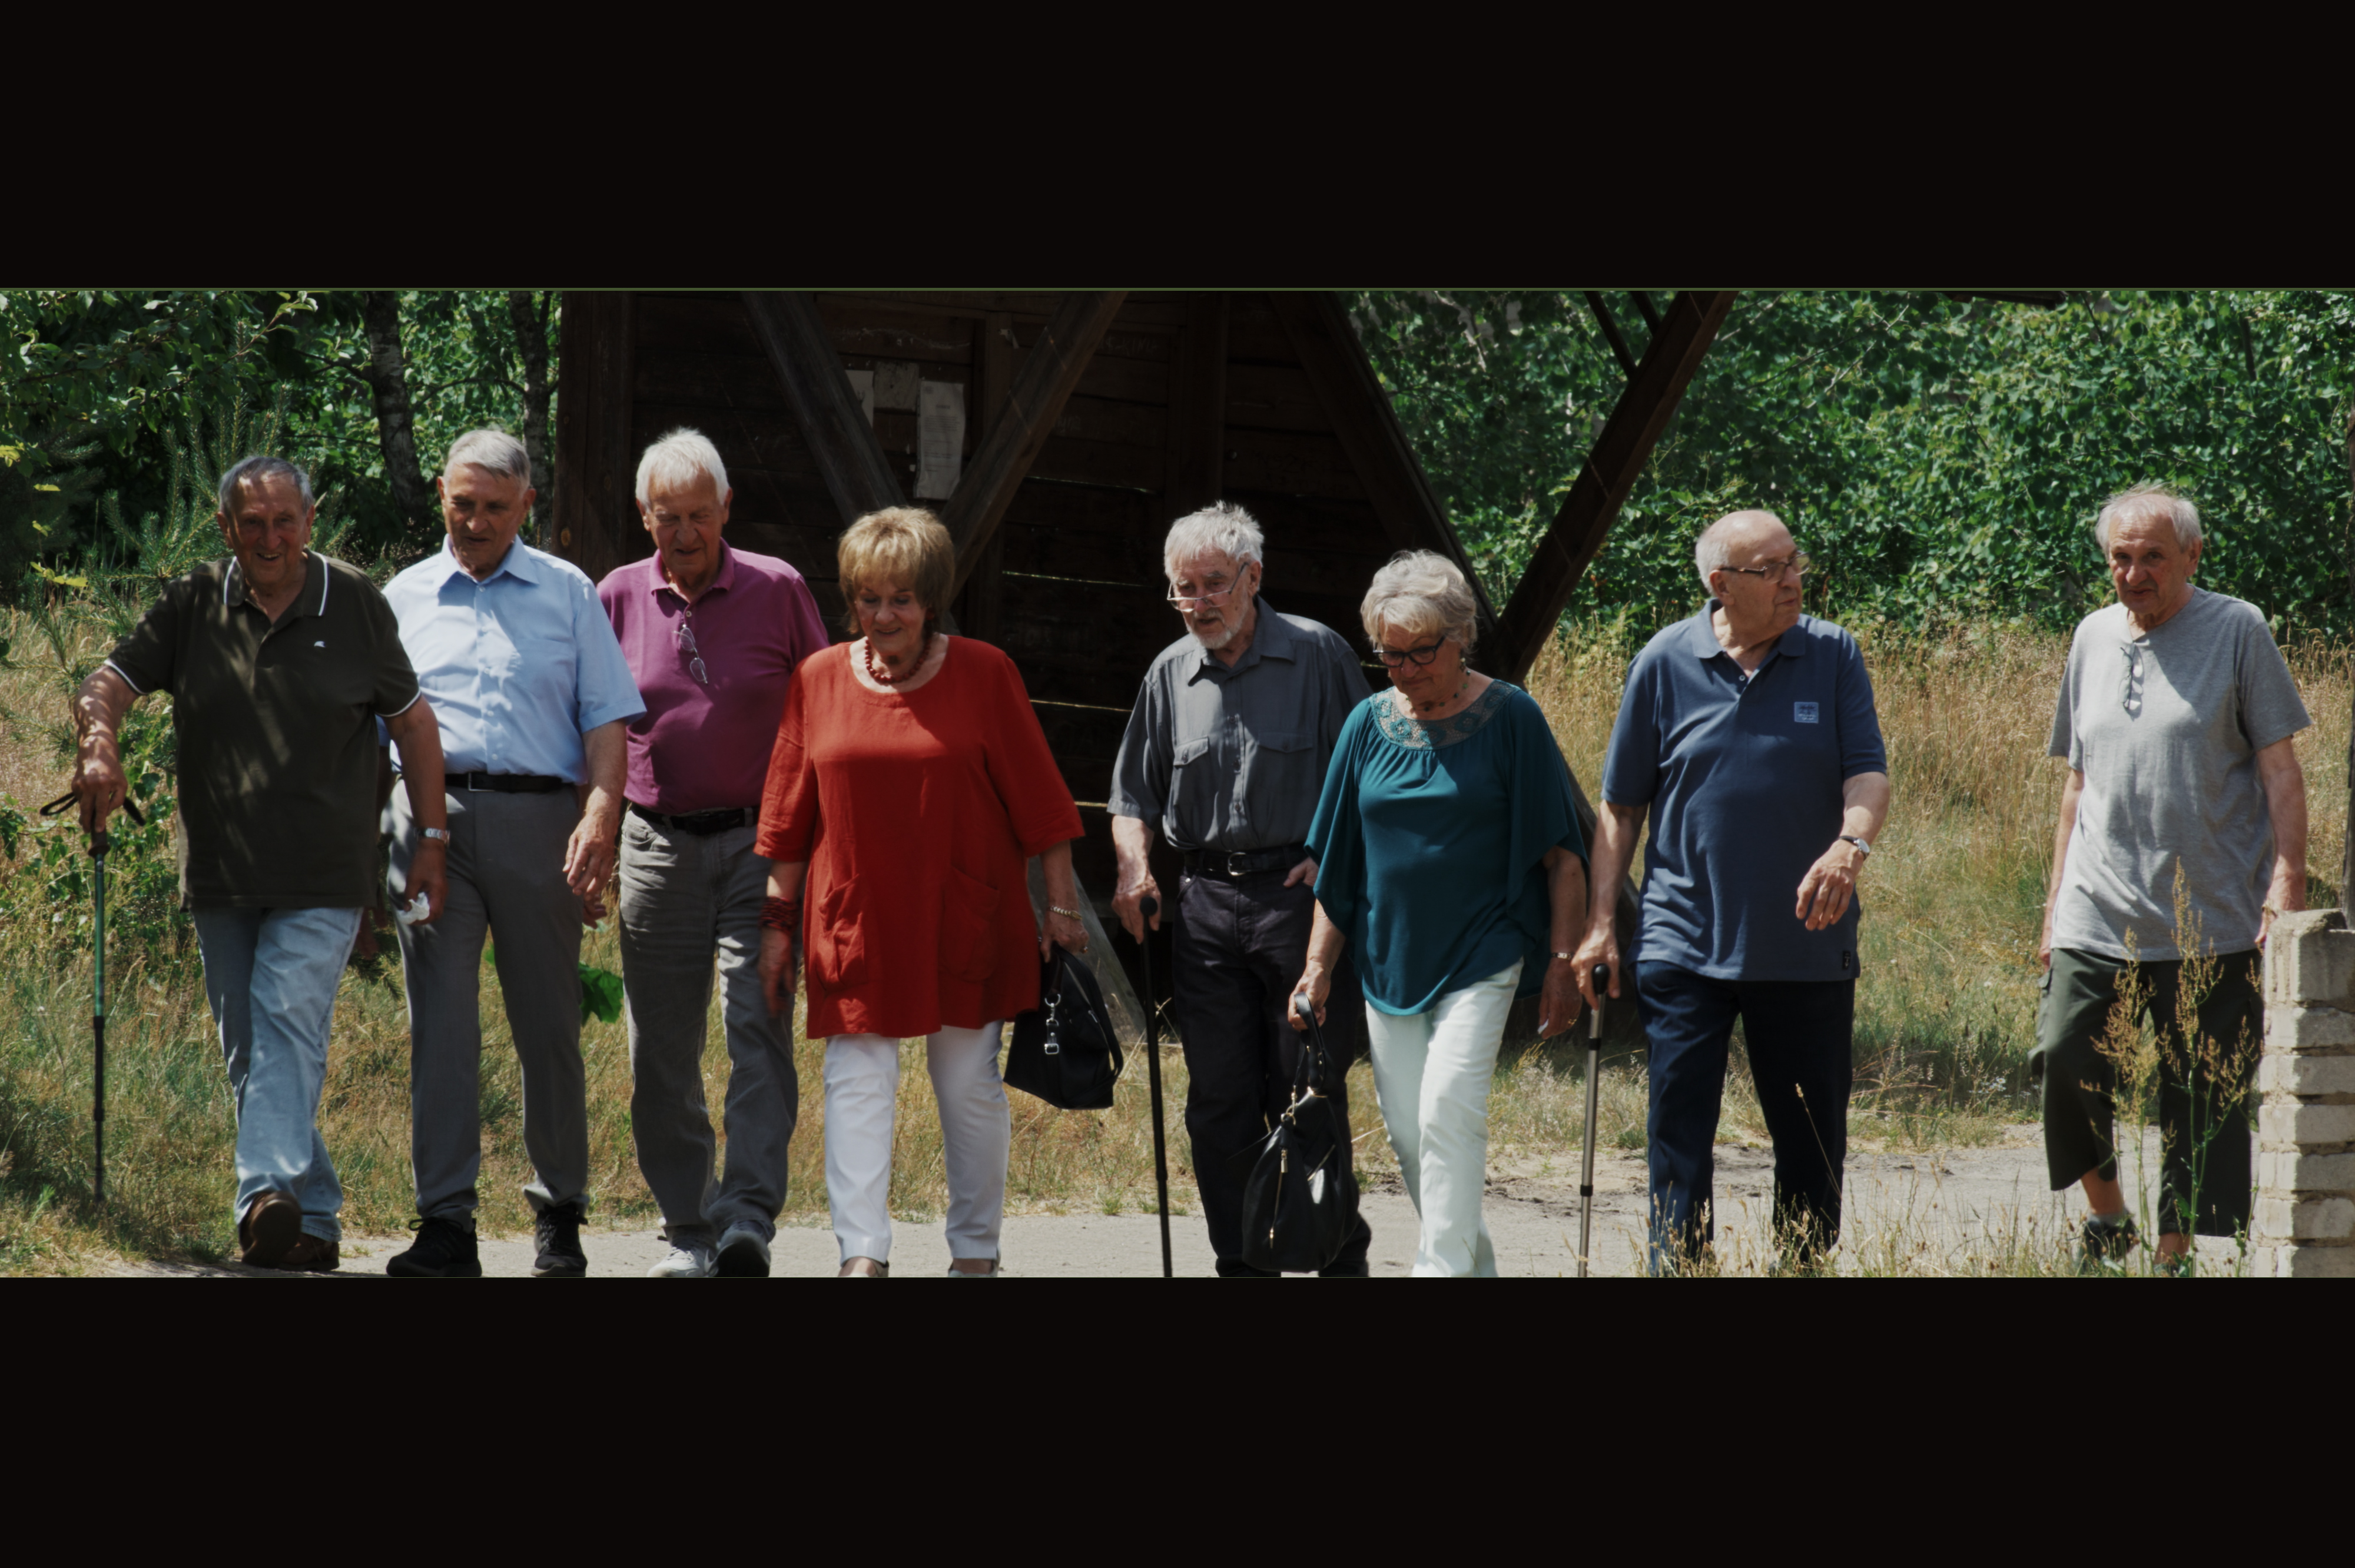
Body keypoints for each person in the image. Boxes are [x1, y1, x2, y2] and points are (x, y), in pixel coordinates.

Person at [71, 455, 448, 1272]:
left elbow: (415, 727)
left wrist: (431, 840)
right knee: (249, 1046)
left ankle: (261, 1196)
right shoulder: (194, 602)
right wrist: (100, 744)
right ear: (225, 529)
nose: (271, 538)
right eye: (253, 524)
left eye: (286, 521)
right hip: (222, 868)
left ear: (311, 523)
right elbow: (109, 682)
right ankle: (312, 1219)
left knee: (285, 1018)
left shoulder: (353, 602)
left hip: (325, 870)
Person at [756, 508, 1085, 1277]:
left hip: (962, 909)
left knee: (967, 1085)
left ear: (931, 600)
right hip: (856, 915)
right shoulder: (818, 679)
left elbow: (1043, 806)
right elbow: (787, 820)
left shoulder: (986, 672)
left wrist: (1062, 908)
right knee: (856, 1082)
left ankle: (975, 1253)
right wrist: (776, 924)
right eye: (869, 598)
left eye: (901, 599)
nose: (883, 616)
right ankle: (861, 1255)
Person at [1574, 510, 1888, 1273]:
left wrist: (1851, 846)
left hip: (1804, 942)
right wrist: (1599, 925)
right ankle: (1679, 1270)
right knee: (1678, 1139)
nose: (1793, 580)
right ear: (1722, 585)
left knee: (1810, 1139)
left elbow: (1868, 772)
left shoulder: (1831, 653)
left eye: (1795, 563)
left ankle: (1803, 1267)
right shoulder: (1663, 661)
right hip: (1683, 942)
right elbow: (1621, 807)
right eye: (1772, 568)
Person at [382, 430, 644, 1279]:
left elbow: (607, 717)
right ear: (440, 494)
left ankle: (559, 1211)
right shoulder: (404, 596)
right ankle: (446, 1224)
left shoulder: (569, 593)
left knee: (548, 1025)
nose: (478, 521)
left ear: (528, 506)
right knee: (442, 1028)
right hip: (429, 825)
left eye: (497, 507)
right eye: (464, 504)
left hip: (541, 823)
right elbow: (369, 727)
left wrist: (601, 816)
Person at [1289, 550, 1587, 1278]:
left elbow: (1564, 857)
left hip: (1483, 952)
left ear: (1461, 639)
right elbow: (1339, 864)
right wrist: (1316, 970)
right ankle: (1472, 1270)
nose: (1406, 669)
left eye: (1422, 652)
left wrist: (1561, 962)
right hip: (1388, 960)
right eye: (1391, 655)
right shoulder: (1366, 725)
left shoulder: (1511, 716)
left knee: (1449, 1112)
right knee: (1411, 1138)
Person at [2036, 483, 2308, 1269]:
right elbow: (2076, 786)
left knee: (2200, 1100)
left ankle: (2171, 1255)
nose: (2134, 573)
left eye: (2153, 556)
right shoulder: (2090, 637)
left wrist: (2286, 879)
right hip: (2097, 910)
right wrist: (2054, 908)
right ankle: (2108, 1217)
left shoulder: (2236, 630)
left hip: (2211, 915)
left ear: (2193, 554)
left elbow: (2281, 770)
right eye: (2121, 557)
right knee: (2063, 1059)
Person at [1110, 502, 1379, 1277]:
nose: (1199, 603)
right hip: (1203, 909)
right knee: (1220, 1102)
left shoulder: (1319, 656)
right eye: (1182, 589)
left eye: (1214, 585)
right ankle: (1244, 1262)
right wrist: (1135, 869)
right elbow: (1132, 798)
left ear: (1254, 578)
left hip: (1298, 905)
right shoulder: (1170, 672)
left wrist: (1333, 859)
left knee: (1308, 1089)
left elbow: (1367, 775)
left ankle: (1334, 1256)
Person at [599, 428, 830, 1278]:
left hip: (760, 845)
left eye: (700, 515)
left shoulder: (778, 588)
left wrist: (813, 845)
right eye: (668, 518)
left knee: (755, 1026)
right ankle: (689, 1225)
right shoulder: (615, 596)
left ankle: (745, 1222)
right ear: (644, 516)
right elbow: (596, 727)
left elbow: (827, 712)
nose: (686, 533)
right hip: (655, 844)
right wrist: (592, 830)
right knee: (658, 1047)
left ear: (727, 509)